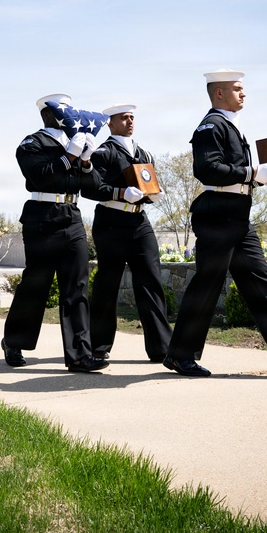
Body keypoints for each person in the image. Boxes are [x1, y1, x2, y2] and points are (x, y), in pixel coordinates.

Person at [163, 68, 267, 377]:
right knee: (207, 285)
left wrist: (262, 181)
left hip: (237, 215)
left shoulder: (231, 127)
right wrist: (253, 173)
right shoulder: (210, 126)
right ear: (219, 93)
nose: (244, 94)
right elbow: (207, 170)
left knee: (260, 282)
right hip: (217, 216)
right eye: (237, 89)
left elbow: (234, 174)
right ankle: (179, 356)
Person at [0, 93, 109, 373]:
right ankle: (14, 341)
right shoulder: (32, 143)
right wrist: (69, 155)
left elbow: (93, 188)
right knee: (37, 282)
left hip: (72, 217)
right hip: (43, 216)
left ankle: (79, 355)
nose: (69, 116)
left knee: (77, 286)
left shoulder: (77, 141)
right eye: (63, 111)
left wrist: (86, 162)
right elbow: (39, 176)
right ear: (49, 114)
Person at [81, 104, 171, 363]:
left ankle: (161, 347)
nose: (130, 121)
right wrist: (118, 193)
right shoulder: (103, 152)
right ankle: (98, 345)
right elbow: (90, 188)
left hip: (139, 222)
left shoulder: (143, 152)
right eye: (123, 118)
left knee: (151, 282)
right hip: (111, 222)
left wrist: (154, 195)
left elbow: (147, 184)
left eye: (132, 117)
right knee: (108, 284)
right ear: (110, 123)